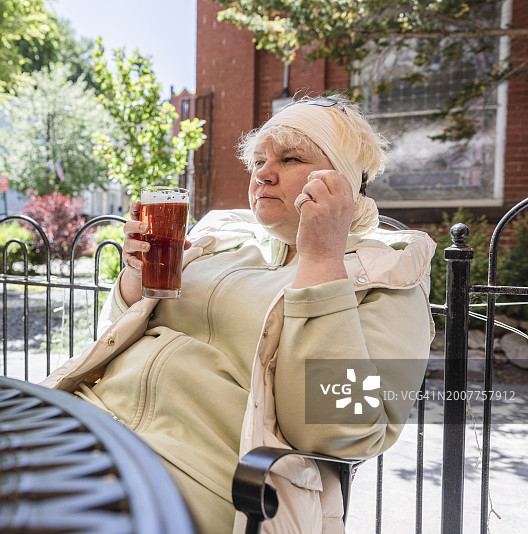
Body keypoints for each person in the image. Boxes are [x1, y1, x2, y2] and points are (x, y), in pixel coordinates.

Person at [41, 95, 435, 533]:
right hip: (85, 422)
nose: (263, 173)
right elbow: (112, 337)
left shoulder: (390, 276)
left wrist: (322, 259)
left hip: (195, 476)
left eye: (289, 158)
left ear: (340, 178)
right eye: (259, 160)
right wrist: (135, 279)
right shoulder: (223, 240)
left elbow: (344, 432)